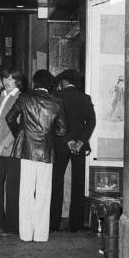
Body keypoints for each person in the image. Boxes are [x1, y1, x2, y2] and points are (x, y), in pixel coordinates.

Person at [6, 70, 67, 242]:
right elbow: (62, 130)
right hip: (46, 152)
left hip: (26, 150)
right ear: (50, 85)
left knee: (25, 192)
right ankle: (40, 235)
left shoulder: (25, 98)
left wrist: (20, 133)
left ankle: (26, 234)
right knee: (43, 193)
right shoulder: (57, 102)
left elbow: (10, 118)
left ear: (35, 83)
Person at [50, 68, 96, 232]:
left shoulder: (57, 97)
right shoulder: (85, 98)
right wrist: (80, 141)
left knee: (56, 181)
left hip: (61, 144)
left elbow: (54, 123)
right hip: (79, 145)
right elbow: (91, 123)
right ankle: (75, 224)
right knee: (78, 183)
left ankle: (53, 222)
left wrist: (67, 140)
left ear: (63, 82)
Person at [0, 68, 25, 235]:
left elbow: (19, 125)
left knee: (13, 188)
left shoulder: (20, 97)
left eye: (11, 78)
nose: (7, 81)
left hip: (13, 148)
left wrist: (3, 145)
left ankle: (12, 225)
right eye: (5, 78)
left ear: (17, 81)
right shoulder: (2, 96)